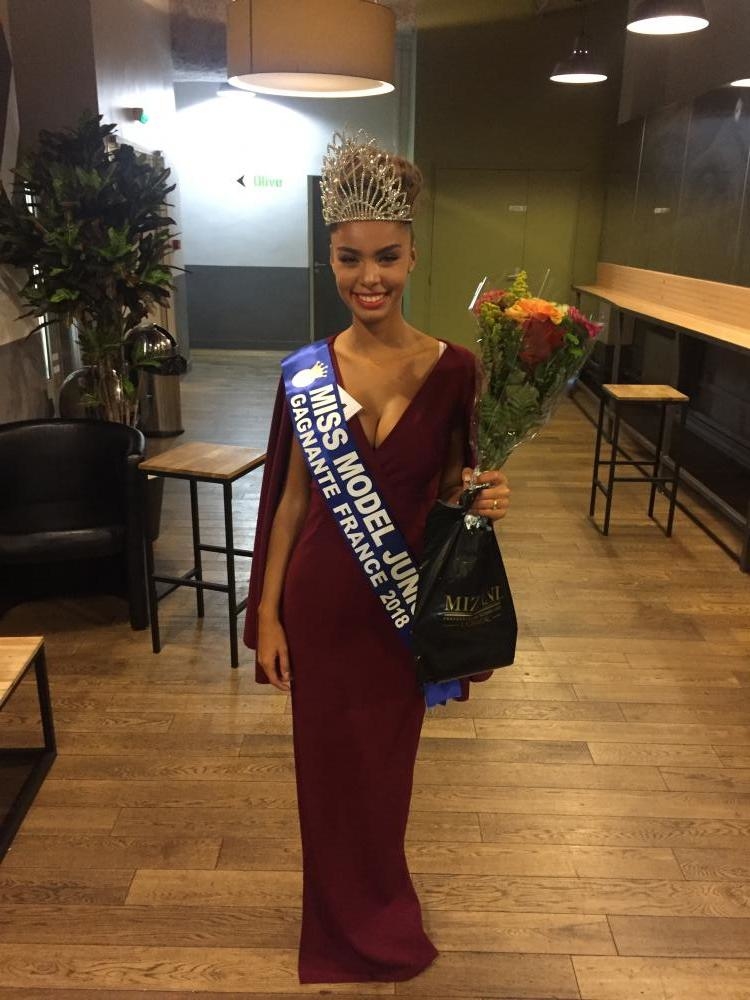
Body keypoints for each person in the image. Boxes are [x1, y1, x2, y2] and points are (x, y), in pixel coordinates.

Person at [243, 131, 511, 985]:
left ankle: (383, 912)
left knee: (386, 777)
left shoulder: (457, 369)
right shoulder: (305, 375)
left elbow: (454, 487)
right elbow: (289, 503)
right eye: (350, 258)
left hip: (403, 608)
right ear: (330, 258)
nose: (370, 277)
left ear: (412, 255)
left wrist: (484, 496)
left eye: (387, 258)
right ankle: (335, 927)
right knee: (326, 778)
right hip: (322, 608)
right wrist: (268, 615)